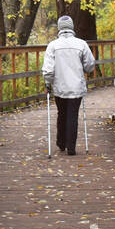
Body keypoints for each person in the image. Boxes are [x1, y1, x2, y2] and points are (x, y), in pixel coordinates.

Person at [42, 15, 96, 155]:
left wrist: (48, 84)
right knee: (73, 114)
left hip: (59, 87)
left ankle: (61, 143)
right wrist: (84, 69)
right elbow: (90, 65)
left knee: (62, 113)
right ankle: (71, 147)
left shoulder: (53, 45)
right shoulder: (81, 44)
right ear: (72, 27)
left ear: (59, 28)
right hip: (76, 86)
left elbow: (48, 70)